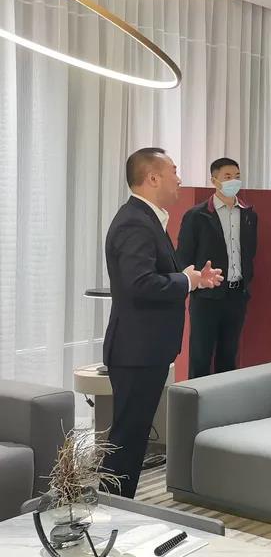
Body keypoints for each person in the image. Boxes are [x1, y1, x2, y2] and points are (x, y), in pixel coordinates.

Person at [101, 148, 223, 498]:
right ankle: (112, 508)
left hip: (145, 349)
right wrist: (185, 281)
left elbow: (152, 276)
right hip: (136, 349)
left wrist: (192, 279)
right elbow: (139, 283)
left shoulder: (147, 219)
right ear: (153, 178)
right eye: (174, 171)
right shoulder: (135, 222)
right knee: (127, 438)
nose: (179, 179)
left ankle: (117, 506)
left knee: (133, 436)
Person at [176, 157, 258, 378]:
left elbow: (250, 252)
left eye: (237, 176)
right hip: (206, 297)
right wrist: (196, 283)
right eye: (227, 177)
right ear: (214, 180)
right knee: (201, 356)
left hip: (237, 295)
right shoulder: (197, 215)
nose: (234, 181)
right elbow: (183, 257)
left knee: (229, 355)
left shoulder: (249, 214)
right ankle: (195, 398)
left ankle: (224, 398)